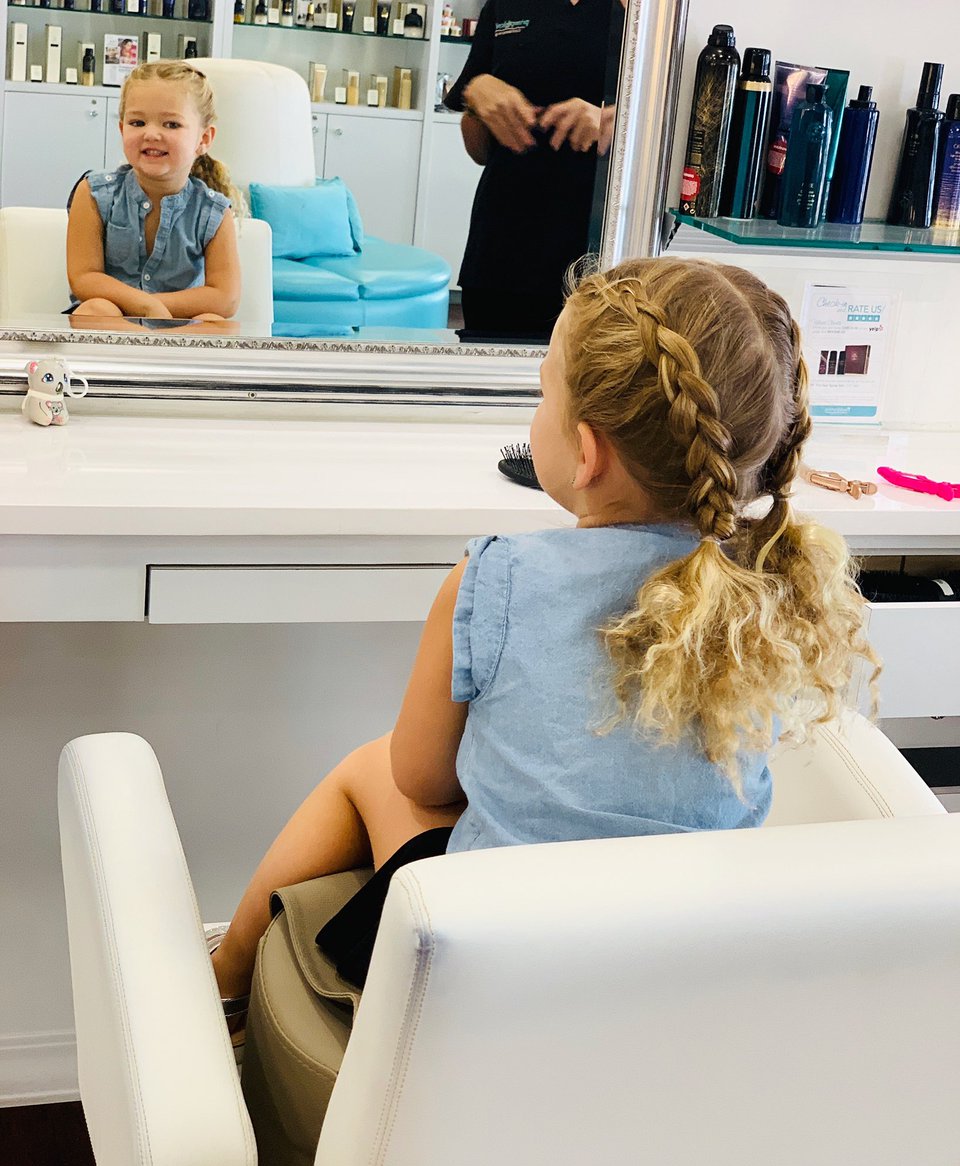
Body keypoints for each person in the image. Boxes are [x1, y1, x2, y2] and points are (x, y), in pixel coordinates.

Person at [210, 255, 877, 1040]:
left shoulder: (494, 575)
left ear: (586, 452)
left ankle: (221, 985)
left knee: (368, 769)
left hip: (498, 969)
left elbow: (420, 776)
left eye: (541, 394)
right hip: (683, 978)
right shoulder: (767, 591)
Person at [443, 0, 614, 340]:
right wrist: (477, 97)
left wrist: (612, 120)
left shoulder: (642, 16)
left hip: (595, 263)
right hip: (500, 251)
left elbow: (664, 134)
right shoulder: (505, 5)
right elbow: (479, 151)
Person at [65, 60, 241, 323]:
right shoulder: (93, 193)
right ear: (122, 128)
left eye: (171, 124)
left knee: (214, 322)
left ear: (203, 139)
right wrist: (142, 306)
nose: (151, 134)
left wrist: (153, 305)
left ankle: (155, 360)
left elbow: (225, 298)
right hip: (111, 325)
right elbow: (84, 278)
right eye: (137, 122)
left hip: (178, 328)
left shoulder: (214, 212)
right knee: (98, 309)